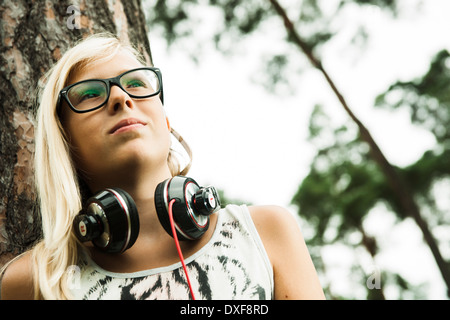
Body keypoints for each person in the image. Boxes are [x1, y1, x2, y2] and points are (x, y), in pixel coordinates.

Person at [0, 33, 325, 300]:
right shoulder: (32, 281)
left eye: (137, 84)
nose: (120, 98)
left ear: (166, 122)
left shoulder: (266, 233)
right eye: (89, 94)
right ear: (63, 140)